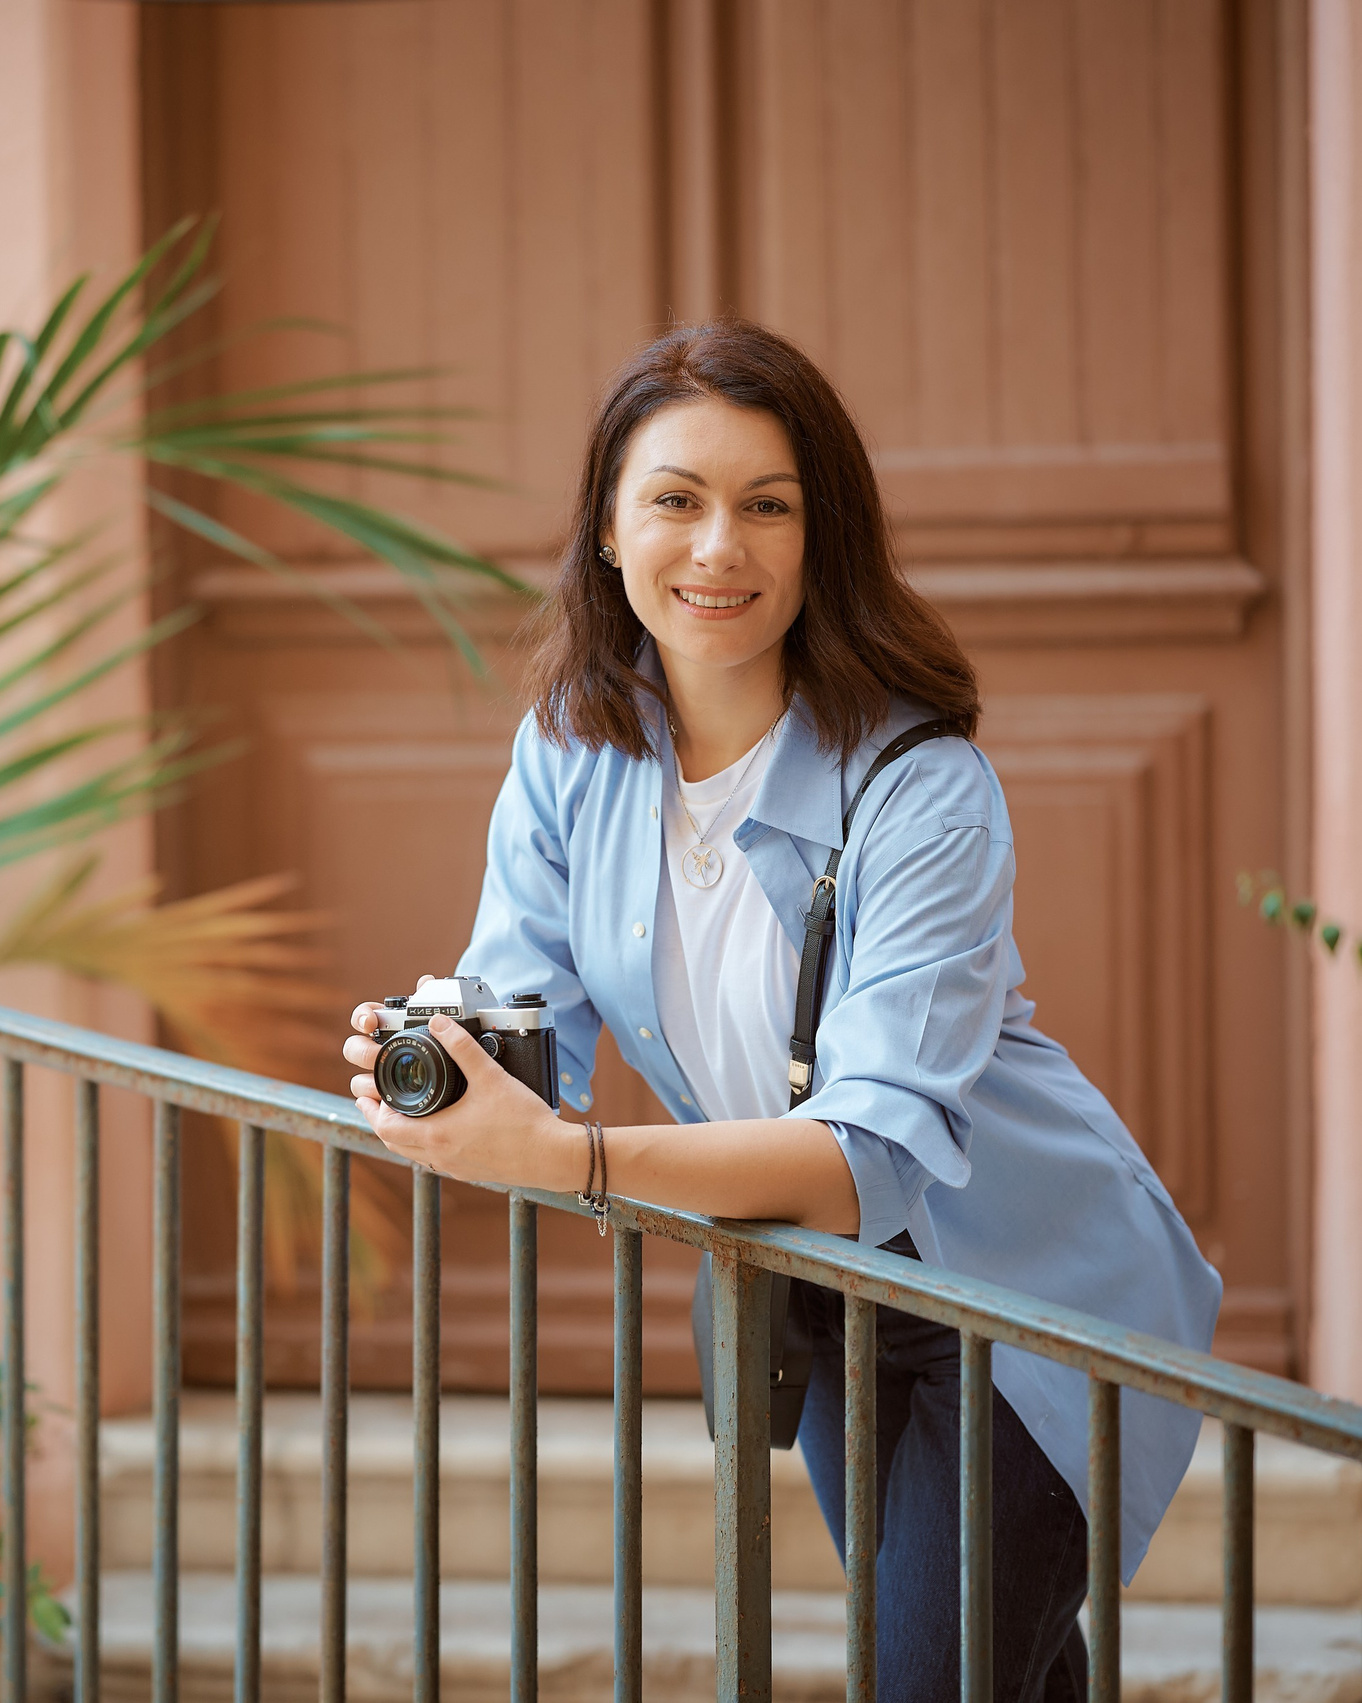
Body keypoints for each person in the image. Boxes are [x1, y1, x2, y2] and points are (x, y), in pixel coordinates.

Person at [344, 320, 1222, 1702]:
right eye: (675, 503)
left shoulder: (919, 783)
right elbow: (526, 1017)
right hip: (830, 1293)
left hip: (1033, 1300)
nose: (718, 550)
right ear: (609, 534)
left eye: (767, 506)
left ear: (825, 538)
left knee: (929, 1678)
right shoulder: (573, 753)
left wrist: (566, 1161)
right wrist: (443, 1068)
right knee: (1004, 1671)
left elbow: (865, 1153)